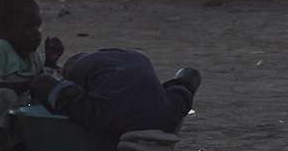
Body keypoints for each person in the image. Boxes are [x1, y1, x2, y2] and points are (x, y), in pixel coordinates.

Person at [29, 48, 200, 140]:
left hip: (110, 118)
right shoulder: (133, 55)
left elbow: (72, 96)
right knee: (183, 86)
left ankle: (125, 138)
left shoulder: (77, 68)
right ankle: (186, 76)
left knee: (42, 83)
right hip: (160, 118)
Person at [0, 0, 63, 151]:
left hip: (14, 116)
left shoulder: (32, 54)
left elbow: (42, 81)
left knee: (41, 100)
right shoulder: (1, 49)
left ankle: (18, 144)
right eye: (28, 27)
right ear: (4, 30)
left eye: (38, 27)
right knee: (6, 95)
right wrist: (25, 85)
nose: (36, 33)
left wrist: (50, 62)